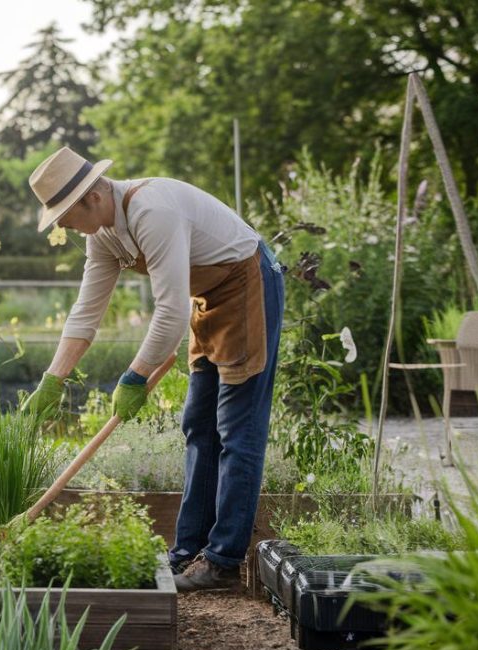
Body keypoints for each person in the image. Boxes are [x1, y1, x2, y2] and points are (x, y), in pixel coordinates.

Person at [21, 147, 284, 592]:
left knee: (237, 430)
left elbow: (170, 312)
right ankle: (187, 550)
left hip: (247, 284)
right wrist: (53, 379)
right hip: (208, 298)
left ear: (93, 196)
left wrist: (134, 376)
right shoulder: (102, 235)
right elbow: (87, 313)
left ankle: (222, 564)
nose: (63, 226)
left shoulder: (151, 210)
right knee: (198, 425)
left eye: (65, 215)